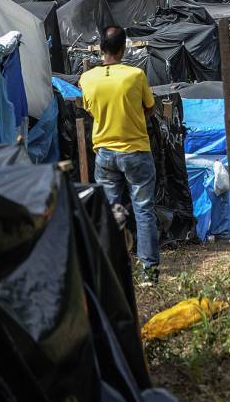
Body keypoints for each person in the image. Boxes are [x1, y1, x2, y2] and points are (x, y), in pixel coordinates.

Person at [80, 26, 159, 286]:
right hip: (135, 151)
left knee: (110, 212)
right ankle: (148, 271)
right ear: (124, 48)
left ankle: (113, 270)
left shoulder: (87, 79)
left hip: (105, 153)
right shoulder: (135, 75)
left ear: (101, 48)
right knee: (143, 210)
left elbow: (90, 112)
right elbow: (149, 108)